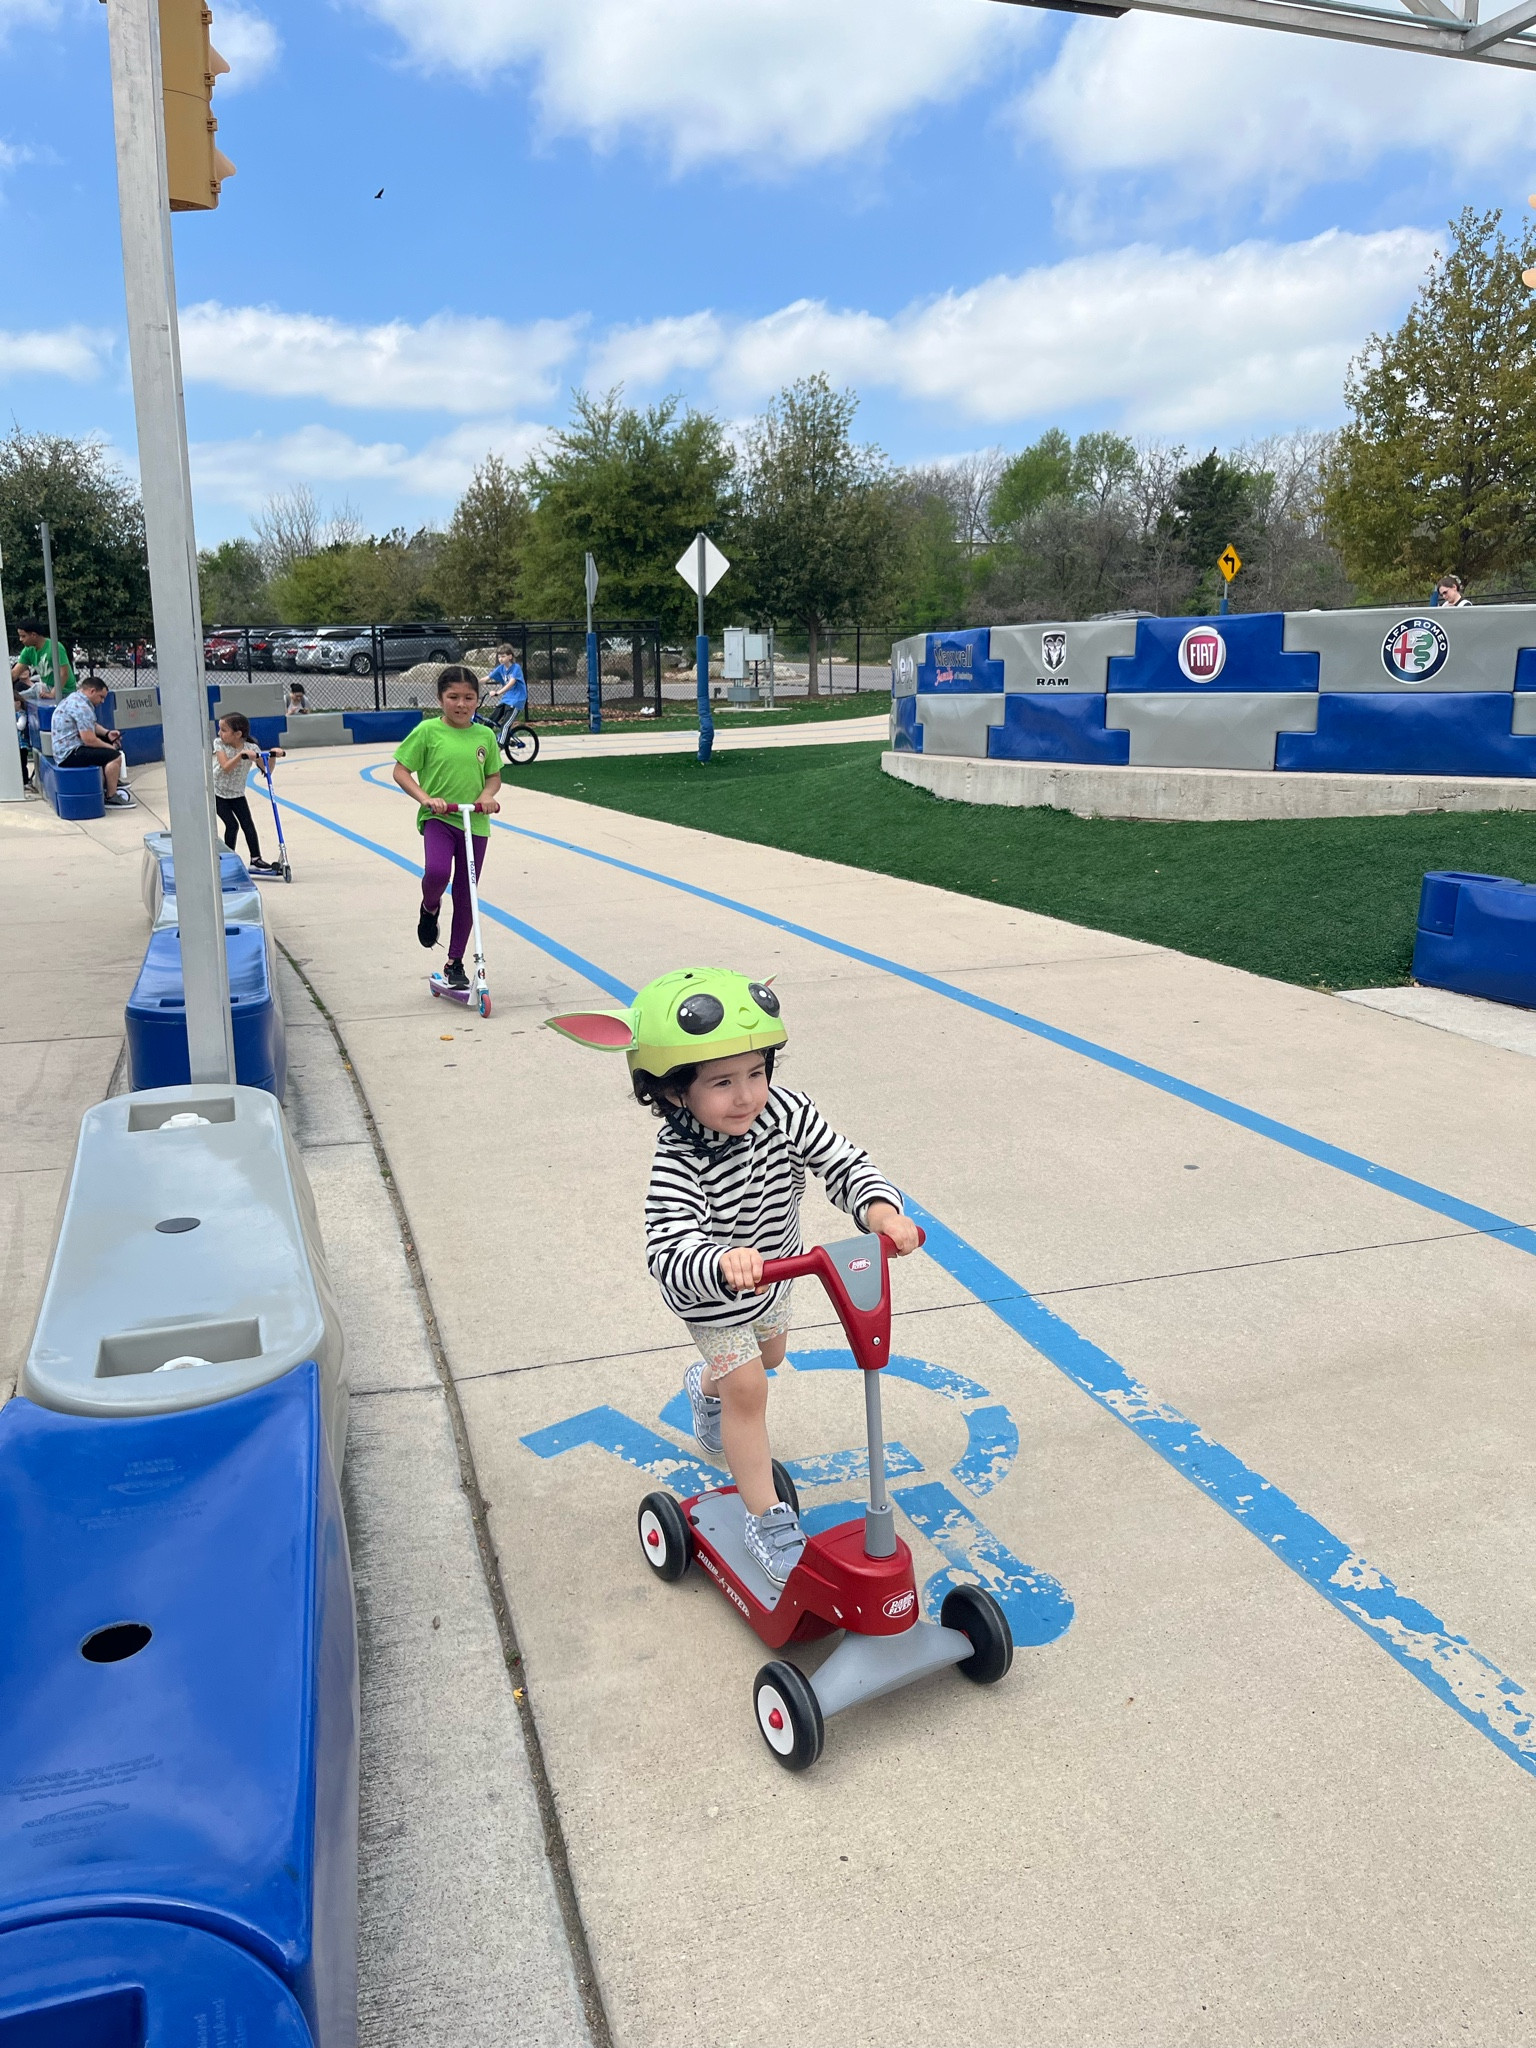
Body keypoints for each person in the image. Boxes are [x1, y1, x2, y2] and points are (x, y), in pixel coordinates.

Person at [546, 969, 920, 1586]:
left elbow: (841, 1161)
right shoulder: (679, 1159)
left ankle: (705, 1387)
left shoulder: (786, 1112)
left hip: (780, 1272)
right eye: (722, 1083)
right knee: (750, 1389)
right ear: (672, 1093)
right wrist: (719, 1261)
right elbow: (667, 1246)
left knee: (770, 1356)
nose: (747, 1095)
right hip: (711, 1295)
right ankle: (765, 1519)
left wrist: (879, 1208)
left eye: (756, 1072)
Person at [391, 666, 502, 993]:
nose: (461, 704)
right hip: (440, 819)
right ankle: (429, 907)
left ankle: (455, 962)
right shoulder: (427, 731)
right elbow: (401, 771)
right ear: (440, 698)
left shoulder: (484, 736)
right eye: (453, 697)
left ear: (477, 700)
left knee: (468, 893)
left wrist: (487, 795)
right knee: (437, 873)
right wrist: (427, 799)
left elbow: (494, 776)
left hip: (474, 822)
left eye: (469, 698)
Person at [212, 711, 285, 873]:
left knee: (248, 825)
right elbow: (225, 767)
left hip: (237, 793)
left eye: (223, 730)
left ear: (238, 734)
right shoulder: (220, 744)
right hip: (217, 793)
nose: (219, 733)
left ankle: (255, 860)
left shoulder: (252, 748)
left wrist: (272, 756)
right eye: (220, 729)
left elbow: (267, 770)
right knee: (232, 825)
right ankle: (227, 859)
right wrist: (240, 756)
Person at [49, 675, 132, 804]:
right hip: (70, 754)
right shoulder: (83, 708)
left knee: (107, 743)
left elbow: (89, 725)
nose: (102, 701)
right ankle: (111, 796)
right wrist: (110, 748)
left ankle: (112, 779)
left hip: (64, 750)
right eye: (101, 697)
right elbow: (89, 740)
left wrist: (107, 733)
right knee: (114, 756)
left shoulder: (74, 698)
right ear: (92, 691)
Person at [11, 619, 74, 699]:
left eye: (23, 636)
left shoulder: (55, 647)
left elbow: (64, 674)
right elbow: (14, 673)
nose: (20, 639)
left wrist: (53, 694)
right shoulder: (28, 650)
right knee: (17, 698)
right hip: (45, 688)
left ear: (33, 635)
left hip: (64, 691)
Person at [486, 645, 527, 740]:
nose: (500, 659)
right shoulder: (500, 668)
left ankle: (500, 745)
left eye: (503, 656)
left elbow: (511, 683)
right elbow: (487, 678)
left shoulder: (516, 668)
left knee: (505, 725)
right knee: (490, 721)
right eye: (499, 657)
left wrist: (498, 692)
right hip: (506, 699)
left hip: (516, 700)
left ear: (510, 657)